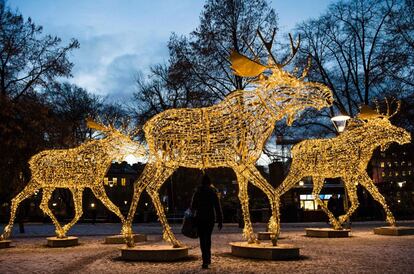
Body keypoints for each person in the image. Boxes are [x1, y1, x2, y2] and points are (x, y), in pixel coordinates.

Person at [191, 174, 223, 269]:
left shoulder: (198, 192)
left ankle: (205, 260)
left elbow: (193, 206)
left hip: (200, 218)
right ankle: (207, 258)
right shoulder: (212, 192)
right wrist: (220, 220)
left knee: (202, 239)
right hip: (210, 218)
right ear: (209, 182)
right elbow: (217, 207)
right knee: (208, 238)